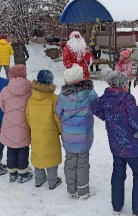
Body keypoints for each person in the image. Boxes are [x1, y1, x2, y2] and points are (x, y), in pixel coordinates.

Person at [92, 68, 138, 216]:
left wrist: (108, 118)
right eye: (127, 83)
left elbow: (95, 107)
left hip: (115, 143)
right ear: (122, 85)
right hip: (131, 145)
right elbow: (135, 120)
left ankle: (117, 205)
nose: (128, 85)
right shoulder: (127, 99)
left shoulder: (106, 96)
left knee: (118, 172)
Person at [56, 65, 98, 199]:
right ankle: (83, 191)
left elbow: (58, 112)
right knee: (83, 162)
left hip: (68, 136)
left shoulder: (63, 97)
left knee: (70, 161)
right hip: (84, 135)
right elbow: (97, 105)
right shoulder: (90, 92)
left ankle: (71, 190)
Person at [26, 70, 62, 190]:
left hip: (36, 132)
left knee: (38, 155)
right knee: (51, 157)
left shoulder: (32, 98)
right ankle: (53, 181)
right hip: (50, 133)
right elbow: (57, 117)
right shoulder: (53, 98)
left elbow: (27, 115)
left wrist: (34, 127)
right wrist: (60, 130)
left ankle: (39, 179)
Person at [0, 64, 33, 183]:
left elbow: (2, 106)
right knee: (23, 148)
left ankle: (12, 172)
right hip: (24, 124)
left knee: (11, 148)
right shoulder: (30, 90)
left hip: (8, 123)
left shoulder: (4, 90)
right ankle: (23, 173)